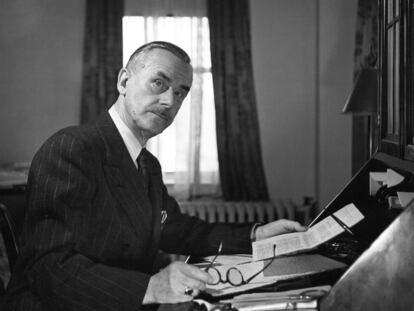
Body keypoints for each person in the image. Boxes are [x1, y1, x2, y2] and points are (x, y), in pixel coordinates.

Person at [4, 41, 306, 311]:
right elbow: (48, 266)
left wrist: (256, 235)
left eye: (180, 92)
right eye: (158, 83)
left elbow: (179, 231)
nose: (169, 102)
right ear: (124, 81)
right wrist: (151, 287)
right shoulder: (71, 148)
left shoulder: (147, 163)